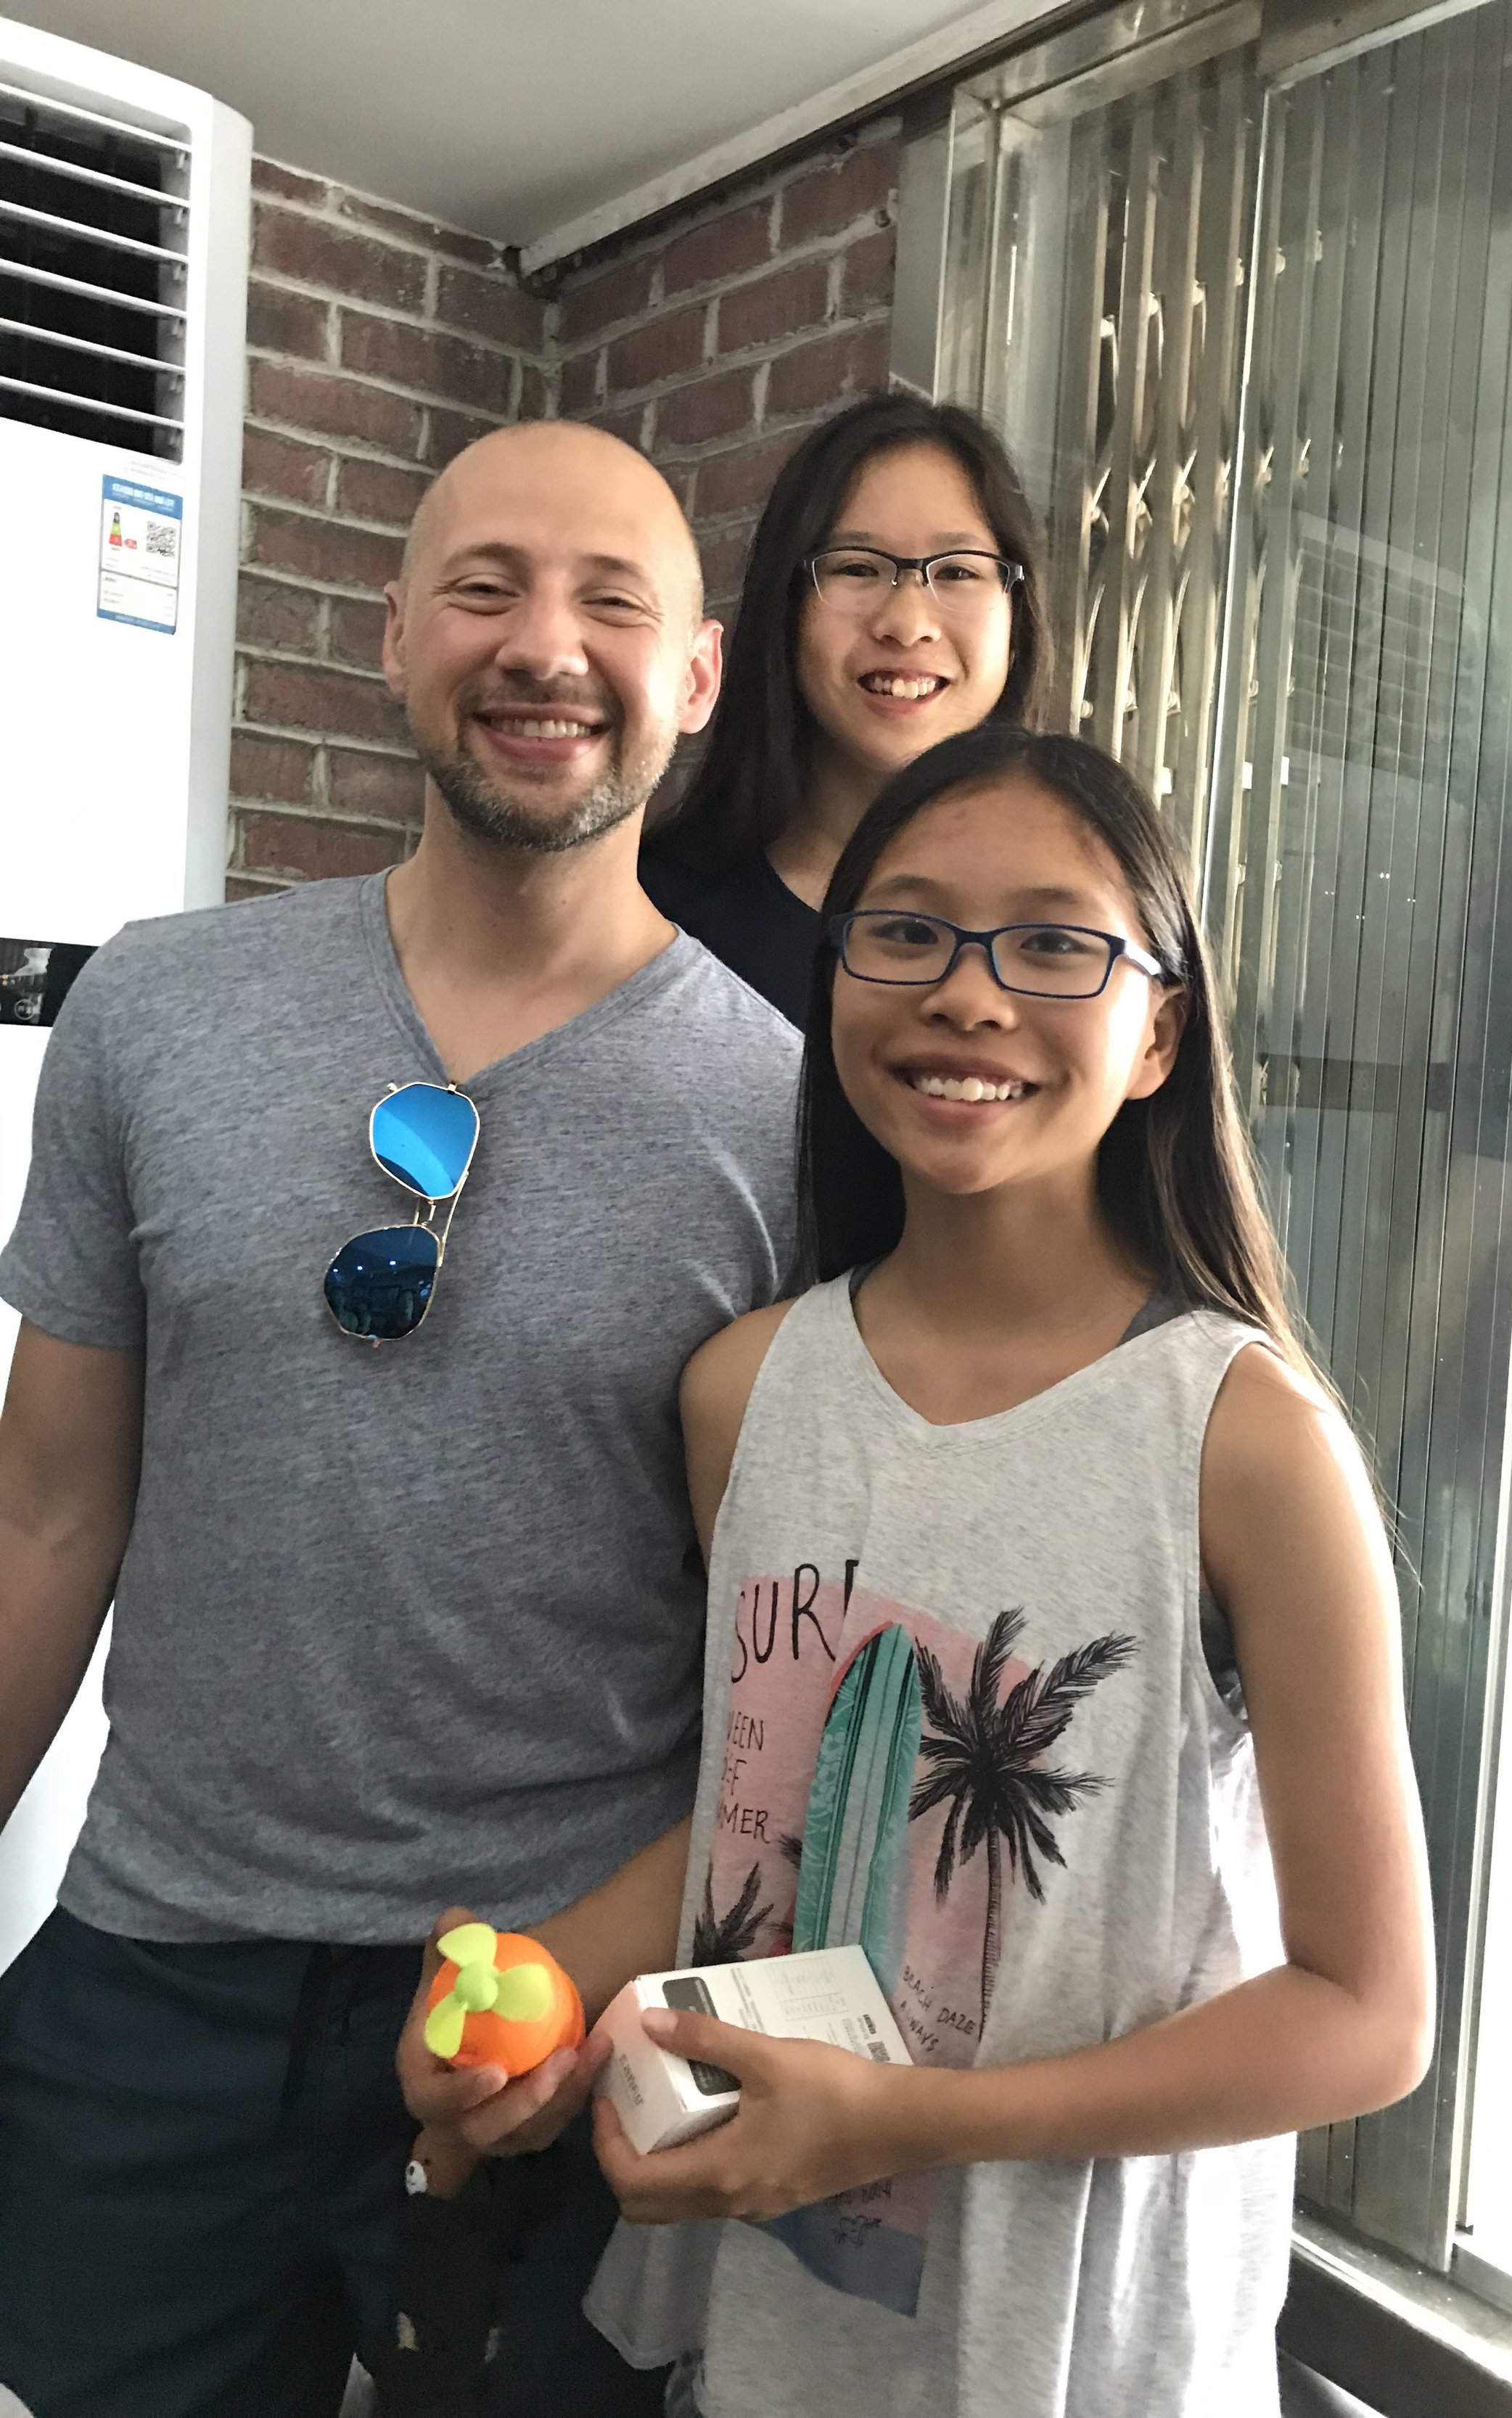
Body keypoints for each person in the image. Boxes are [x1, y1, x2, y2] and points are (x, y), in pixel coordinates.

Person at [0, 420, 800, 2418]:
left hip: (562, 2006)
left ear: (695, 681)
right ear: (391, 633)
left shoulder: (796, 1121)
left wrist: (618, 1972)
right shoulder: (156, 1015)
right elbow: (40, 1514)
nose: (545, 644)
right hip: (154, 1972)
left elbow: (787, 1655)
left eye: (614, 601)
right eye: (485, 586)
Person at [571, 726, 1435, 2417]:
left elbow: (1366, 2011)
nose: (968, 994)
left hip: (1086, 2360)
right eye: (905, 931)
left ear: (1161, 1028)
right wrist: (540, 1986)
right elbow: (777, 1797)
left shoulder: (1249, 1442)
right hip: (771, 2327)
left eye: (1053, 943)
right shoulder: (742, 1389)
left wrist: (914, 2125)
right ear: (835, 985)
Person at [641, 393, 1051, 1026]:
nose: (907, 622)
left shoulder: (1079, 930)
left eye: (958, 572)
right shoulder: (647, 919)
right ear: (787, 609)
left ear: (1016, 618)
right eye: (858, 568)